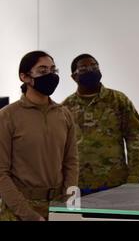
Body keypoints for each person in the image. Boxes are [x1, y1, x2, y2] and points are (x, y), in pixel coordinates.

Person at [0, 51, 78, 221]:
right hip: (18, 210)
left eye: (53, 70)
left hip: (58, 207)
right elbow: (1, 173)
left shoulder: (64, 114)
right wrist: (29, 215)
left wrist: (69, 207)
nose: (50, 75)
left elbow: (71, 163)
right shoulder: (7, 116)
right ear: (24, 77)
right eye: (42, 71)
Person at [63, 54, 139, 195]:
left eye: (94, 66)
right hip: (78, 184)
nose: (91, 70)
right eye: (84, 68)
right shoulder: (66, 107)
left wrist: (134, 175)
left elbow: (134, 138)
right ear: (74, 76)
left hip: (114, 182)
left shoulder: (118, 100)